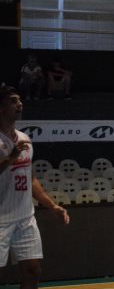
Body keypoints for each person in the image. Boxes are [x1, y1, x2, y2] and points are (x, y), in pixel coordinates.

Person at [0, 85, 70, 288]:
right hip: (1, 219)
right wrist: (10, 158)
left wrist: (53, 206)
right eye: (13, 101)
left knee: (33, 270)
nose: (20, 104)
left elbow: (30, 178)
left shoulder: (25, 139)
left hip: (25, 217)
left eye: (20, 100)